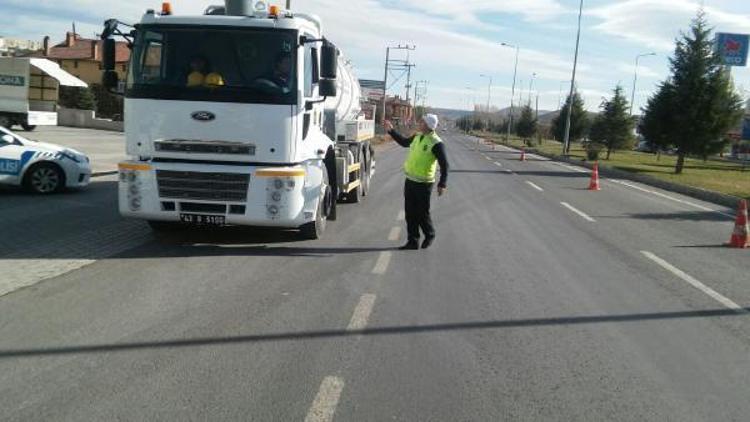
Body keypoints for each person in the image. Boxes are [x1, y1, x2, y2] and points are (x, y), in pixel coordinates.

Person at [385, 114, 449, 250]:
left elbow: (445, 165)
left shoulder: (436, 143)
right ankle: (413, 241)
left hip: (424, 184)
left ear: (428, 125)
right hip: (410, 180)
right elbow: (404, 142)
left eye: (422, 121)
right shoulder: (417, 136)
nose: (420, 122)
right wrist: (391, 131)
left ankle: (430, 234)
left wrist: (442, 184)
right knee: (410, 212)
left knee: (422, 213)